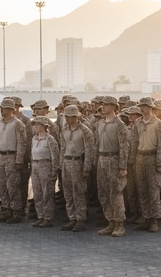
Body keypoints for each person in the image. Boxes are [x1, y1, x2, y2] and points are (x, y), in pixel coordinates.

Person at [94, 96, 130, 237]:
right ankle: (110, 221)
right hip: (102, 159)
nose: (103, 107)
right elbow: (97, 144)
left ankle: (119, 223)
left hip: (114, 160)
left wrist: (122, 166)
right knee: (103, 192)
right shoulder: (100, 123)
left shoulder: (119, 124)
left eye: (107, 105)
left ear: (114, 107)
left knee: (115, 193)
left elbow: (124, 147)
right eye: (103, 105)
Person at [58, 104, 95, 232]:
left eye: (69, 117)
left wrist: (86, 168)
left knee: (79, 192)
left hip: (77, 162)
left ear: (75, 117)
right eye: (65, 116)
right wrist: (61, 163)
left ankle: (80, 219)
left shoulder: (85, 130)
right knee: (68, 193)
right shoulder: (64, 130)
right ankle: (72, 218)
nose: (67, 119)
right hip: (66, 162)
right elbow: (62, 148)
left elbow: (90, 151)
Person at [132, 97, 161, 232]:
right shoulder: (137, 123)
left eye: (145, 106)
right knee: (142, 190)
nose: (142, 108)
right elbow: (134, 142)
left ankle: (154, 220)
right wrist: (133, 160)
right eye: (141, 106)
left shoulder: (158, 124)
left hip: (152, 158)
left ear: (151, 107)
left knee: (153, 190)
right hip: (140, 157)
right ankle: (145, 217)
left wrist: (160, 163)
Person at [0, 99, 27, 223]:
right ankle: (7, 209)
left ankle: (16, 211)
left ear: (10, 109)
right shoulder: (0, 123)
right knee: (2, 186)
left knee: (12, 186)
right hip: (1, 156)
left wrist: (19, 160)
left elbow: (22, 143)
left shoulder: (17, 124)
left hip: (11, 156)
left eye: (4, 108)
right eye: (1, 108)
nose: (1, 110)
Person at [29, 116, 61, 228]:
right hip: (36, 166)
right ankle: (40, 216)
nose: (36, 127)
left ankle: (47, 217)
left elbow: (55, 157)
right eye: (35, 124)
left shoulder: (50, 139)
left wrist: (54, 171)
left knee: (47, 193)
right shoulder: (34, 139)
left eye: (39, 124)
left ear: (45, 126)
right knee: (37, 193)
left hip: (46, 166)